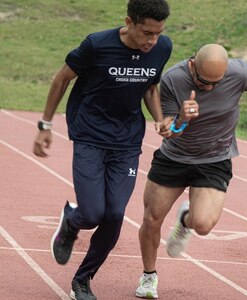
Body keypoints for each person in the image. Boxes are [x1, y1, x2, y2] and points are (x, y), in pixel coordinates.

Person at [32, 1, 172, 299]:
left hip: (127, 141)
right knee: (93, 212)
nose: (152, 41)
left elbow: (149, 87)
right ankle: (72, 221)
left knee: (115, 214)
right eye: (147, 32)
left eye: (158, 33)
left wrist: (159, 120)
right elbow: (61, 79)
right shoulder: (97, 44)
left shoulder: (162, 49)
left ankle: (82, 280)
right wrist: (45, 125)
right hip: (90, 135)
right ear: (129, 22)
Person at [135, 44, 247, 299]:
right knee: (151, 218)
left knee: (202, 225)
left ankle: (185, 221)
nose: (209, 88)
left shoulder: (239, 71)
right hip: (175, 156)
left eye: (216, 82)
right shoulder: (173, 79)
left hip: (215, 158)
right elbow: (167, 130)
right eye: (203, 82)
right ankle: (149, 276)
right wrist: (181, 119)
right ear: (192, 65)